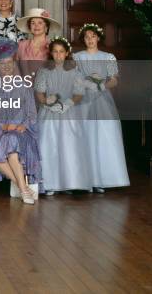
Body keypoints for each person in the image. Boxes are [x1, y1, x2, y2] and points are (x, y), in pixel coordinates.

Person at [0, 40, 42, 205]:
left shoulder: (24, 86)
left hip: (20, 130)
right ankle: (22, 187)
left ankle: (21, 188)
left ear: (14, 64)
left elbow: (32, 113)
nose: (6, 67)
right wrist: (3, 126)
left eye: (9, 63)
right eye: (2, 64)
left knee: (10, 140)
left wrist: (21, 125)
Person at [73, 23, 129, 193]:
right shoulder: (77, 57)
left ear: (98, 38)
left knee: (105, 135)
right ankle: (86, 179)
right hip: (83, 98)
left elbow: (114, 79)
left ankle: (105, 178)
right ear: (83, 39)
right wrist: (85, 84)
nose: (90, 39)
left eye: (93, 36)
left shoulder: (108, 57)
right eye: (86, 37)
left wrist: (101, 86)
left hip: (102, 98)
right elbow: (73, 77)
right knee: (85, 136)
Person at [36, 37, 93, 194]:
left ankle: (69, 181)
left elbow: (79, 93)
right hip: (49, 112)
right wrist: (46, 102)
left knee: (69, 145)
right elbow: (40, 92)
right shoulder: (44, 71)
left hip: (69, 111)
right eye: (55, 52)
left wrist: (68, 103)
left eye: (61, 52)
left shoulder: (75, 71)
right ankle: (49, 183)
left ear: (67, 53)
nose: (58, 55)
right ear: (51, 53)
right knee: (49, 144)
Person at [16, 8, 61, 78]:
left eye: (40, 22)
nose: (36, 26)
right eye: (33, 23)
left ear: (46, 27)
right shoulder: (20, 45)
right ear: (29, 27)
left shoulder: (54, 46)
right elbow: (15, 68)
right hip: (24, 87)